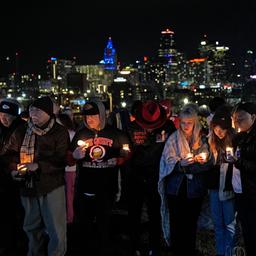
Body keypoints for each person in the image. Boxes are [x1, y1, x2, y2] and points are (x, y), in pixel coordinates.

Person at [5, 96, 69, 256]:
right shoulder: (21, 131)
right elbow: (8, 153)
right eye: (32, 109)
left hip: (52, 185)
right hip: (28, 185)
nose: (33, 113)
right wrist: (13, 168)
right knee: (31, 226)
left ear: (48, 113)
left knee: (56, 228)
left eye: (38, 110)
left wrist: (38, 165)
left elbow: (61, 159)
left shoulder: (59, 132)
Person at [69, 100, 131, 256]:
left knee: (105, 223)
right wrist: (74, 156)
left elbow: (127, 151)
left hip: (107, 186)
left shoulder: (115, 133)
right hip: (85, 185)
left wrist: (118, 160)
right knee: (85, 223)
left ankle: (104, 249)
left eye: (93, 115)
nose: (89, 119)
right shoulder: (81, 133)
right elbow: (68, 156)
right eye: (86, 116)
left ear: (102, 115)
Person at [158, 104, 212, 256]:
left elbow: (207, 162)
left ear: (194, 123)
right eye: (183, 122)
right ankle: (177, 250)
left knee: (191, 222)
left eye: (189, 123)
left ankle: (189, 250)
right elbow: (167, 160)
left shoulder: (202, 139)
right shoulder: (173, 138)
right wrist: (179, 164)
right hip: (175, 189)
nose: (186, 126)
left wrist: (198, 161)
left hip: (195, 189)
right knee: (177, 222)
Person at [127, 100, 176, 256]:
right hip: (135, 175)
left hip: (157, 176)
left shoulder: (168, 127)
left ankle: (154, 245)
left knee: (155, 213)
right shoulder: (132, 127)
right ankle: (133, 245)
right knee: (134, 212)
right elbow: (127, 151)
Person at [207, 106, 236, 256]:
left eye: (223, 129)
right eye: (217, 127)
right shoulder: (209, 142)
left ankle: (229, 252)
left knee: (229, 224)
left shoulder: (234, 142)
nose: (220, 131)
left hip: (228, 188)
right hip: (214, 188)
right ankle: (221, 252)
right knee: (218, 224)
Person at [0, 99, 27, 256]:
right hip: (3, 178)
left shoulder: (21, 130)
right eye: (2, 114)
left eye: (8, 115)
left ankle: (19, 243)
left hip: (17, 177)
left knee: (19, 213)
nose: (4, 118)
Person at [230, 102, 256, 256]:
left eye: (240, 119)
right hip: (242, 190)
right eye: (235, 119)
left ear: (253, 117)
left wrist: (237, 162)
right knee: (246, 228)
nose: (237, 122)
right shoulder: (239, 137)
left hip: (253, 192)